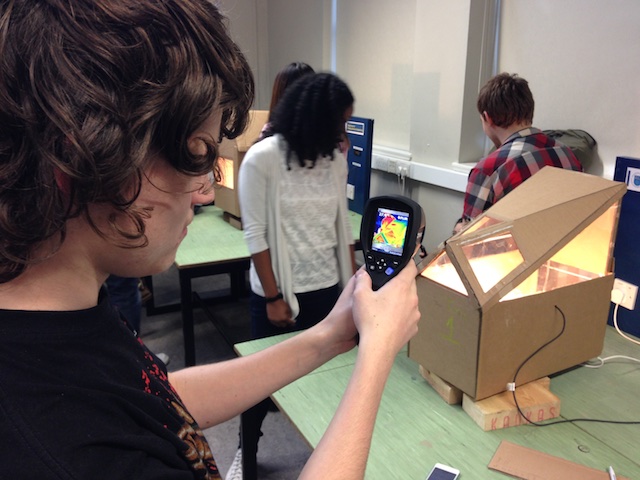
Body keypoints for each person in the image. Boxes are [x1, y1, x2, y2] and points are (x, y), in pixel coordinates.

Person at [0, 2, 420, 480]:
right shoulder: (62, 451)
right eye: (196, 155)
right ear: (83, 160)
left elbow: (156, 402)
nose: (206, 191)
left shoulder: (67, 319)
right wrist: (376, 357)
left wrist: (330, 336)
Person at [229, 72, 357, 479]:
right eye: (339, 122)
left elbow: (342, 226)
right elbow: (255, 234)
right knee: (259, 385)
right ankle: (246, 454)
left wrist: (354, 287)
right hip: (279, 295)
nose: (343, 132)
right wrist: (272, 297)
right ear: (317, 118)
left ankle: (324, 461)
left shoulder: (333, 161)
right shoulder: (262, 158)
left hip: (326, 291)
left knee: (325, 382)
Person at [454, 73, 583, 232]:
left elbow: (469, 239)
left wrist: (458, 229)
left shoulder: (488, 170)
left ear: (488, 118)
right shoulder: (568, 155)